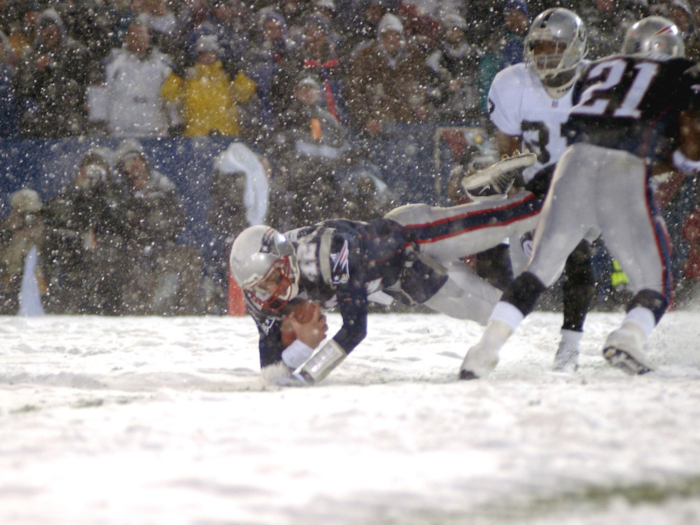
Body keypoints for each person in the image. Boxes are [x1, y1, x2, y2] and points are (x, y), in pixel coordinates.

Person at [459, 17, 698, 380]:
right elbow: (688, 137)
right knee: (656, 282)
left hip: (571, 163)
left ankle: (484, 349)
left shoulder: (602, 69)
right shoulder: (682, 73)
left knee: (539, 269)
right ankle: (629, 336)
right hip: (623, 166)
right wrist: (681, 159)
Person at [229, 220, 505, 386]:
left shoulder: (322, 255)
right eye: (258, 287)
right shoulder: (263, 295)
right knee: (494, 309)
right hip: (402, 279)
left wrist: (307, 373)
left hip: (405, 238)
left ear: (283, 263)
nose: (266, 293)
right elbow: (272, 372)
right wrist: (302, 345)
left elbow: (355, 328)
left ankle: (511, 198)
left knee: (498, 223)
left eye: (269, 280)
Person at [486, 8, 595, 372]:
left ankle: (570, 345)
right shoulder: (511, 82)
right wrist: (520, 188)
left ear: (576, 46)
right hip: (534, 186)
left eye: (555, 46)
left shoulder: (596, 82)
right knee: (532, 273)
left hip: (587, 183)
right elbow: (508, 148)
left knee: (578, 256)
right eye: (539, 46)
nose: (544, 54)